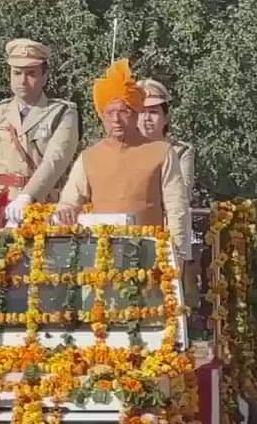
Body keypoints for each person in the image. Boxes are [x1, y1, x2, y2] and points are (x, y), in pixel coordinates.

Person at [55, 59, 194, 304]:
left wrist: (176, 258)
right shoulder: (89, 157)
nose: (116, 120)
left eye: (124, 111)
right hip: (99, 263)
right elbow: (69, 200)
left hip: (149, 262)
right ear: (101, 116)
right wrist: (66, 210)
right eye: (110, 113)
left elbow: (177, 209)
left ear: (136, 113)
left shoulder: (161, 152)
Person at [0, 39, 80, 223]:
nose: (22, 80)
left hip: (43, 206)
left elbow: (55, 160)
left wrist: (28, 196)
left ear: (44, 75)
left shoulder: (62, 113)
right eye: (17, 73)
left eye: (31, 73)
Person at [137, 79, 196, 196]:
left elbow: (182, 194)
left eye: (153, 112)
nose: (146, 118)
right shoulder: (124, 149)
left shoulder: (180, 151)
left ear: (166, 118)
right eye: (141, 112)